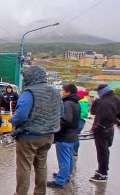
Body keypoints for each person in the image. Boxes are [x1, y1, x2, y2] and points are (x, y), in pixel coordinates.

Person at [10, 65, 61, 195]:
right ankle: (40, 192)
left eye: (26, 76)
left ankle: (21, 193)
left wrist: (12, 119)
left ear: (32, 76)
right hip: (48, 135)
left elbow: (20, 115)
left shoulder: (29, 92)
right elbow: (61, 111)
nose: (25, 79)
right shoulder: (55, 92)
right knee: (41, 165)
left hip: (29, 136)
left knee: (24, 167)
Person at [47, 84, 80, 189]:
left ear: (68, 92)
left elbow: (66, 119)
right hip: (72, 135)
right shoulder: (76, 103)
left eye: (62, 90)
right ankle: (65, 175)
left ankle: (60, 181)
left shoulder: (67, 103)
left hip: (64, 135)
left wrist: (56, 129)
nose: (61, 92)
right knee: (69, 157)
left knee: (64, 159)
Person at [89, 84, 120, 182]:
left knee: (102, 152)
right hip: (110, 129)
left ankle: (102, 173)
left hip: (102, 130)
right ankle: (102, 170)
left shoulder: (103, 101)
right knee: (105, 150)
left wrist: (95, 128)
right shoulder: (116, 99)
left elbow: (97, 114)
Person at [73, 90, 89, 157]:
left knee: (75, 136)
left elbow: (85, 113)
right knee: (75, 136)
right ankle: (74, 151)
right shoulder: (81, 102)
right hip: (79, 121)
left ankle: (74, 151)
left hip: (79, 121)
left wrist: (75, 116)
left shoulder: (82, 103)